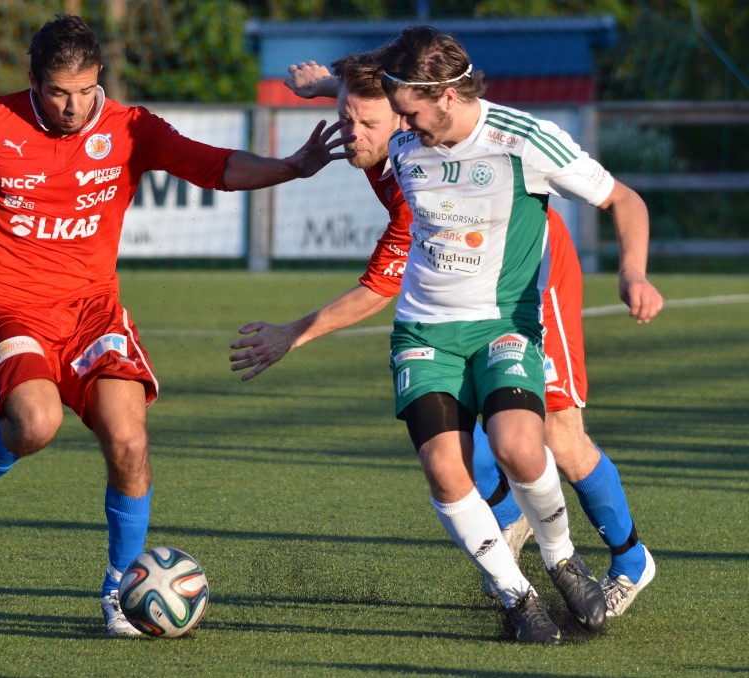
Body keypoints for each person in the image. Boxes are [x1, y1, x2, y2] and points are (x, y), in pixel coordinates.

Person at [0, 14, 354, 638]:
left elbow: (216, 166)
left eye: (86, 90)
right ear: (33, 80)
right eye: (59, 92)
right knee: (36, 423)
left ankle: (119, 592)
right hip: (9, 301)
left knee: (129, 442)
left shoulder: (130, 127)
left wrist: (292, 166)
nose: (74, 106)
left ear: (99, 78)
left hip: (92, 309)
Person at [231, 55, 656, 620]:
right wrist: (329, 85)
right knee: (452, 422)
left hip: (525, 275)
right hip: (453, 301)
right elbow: (384, 88)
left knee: (556, 433)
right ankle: (511, 520)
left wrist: (292, 334)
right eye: (345, 117)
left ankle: (630, 561)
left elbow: (378, 288)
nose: (351, 133)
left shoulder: (417, 152)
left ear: (409, 117)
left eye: (370, 122)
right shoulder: (389, 132)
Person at [374, 26, 662, 643]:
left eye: (410, 112)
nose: (403, 125)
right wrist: (329, 85)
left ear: (447, 96)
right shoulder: (404, 144)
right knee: (446, 470)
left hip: (504, 325)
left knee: (523, 446)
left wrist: (633, 274)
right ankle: (516, 598)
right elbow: (370, 94)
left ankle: (562, 561)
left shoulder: (523, 139)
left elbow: (625, 200)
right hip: (424, 330)